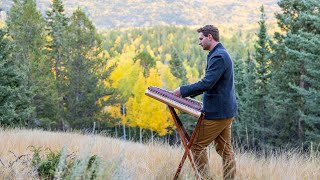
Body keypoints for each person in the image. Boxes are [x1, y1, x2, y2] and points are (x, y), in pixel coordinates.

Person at [173, 25, 237, 180]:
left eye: (201, 39)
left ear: (210, 37)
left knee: (196, 147)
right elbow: (211, 84)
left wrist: (183, 91)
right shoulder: (218, 54)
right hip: (225, 111)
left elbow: (207, 83)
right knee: (224, 149)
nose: (199, 42)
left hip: (217, 113)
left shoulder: (218, 56)